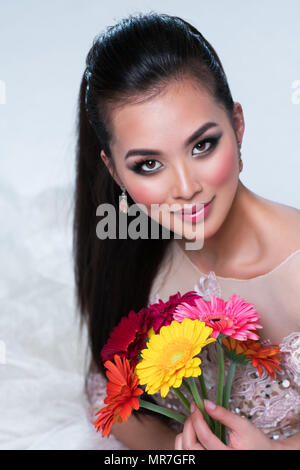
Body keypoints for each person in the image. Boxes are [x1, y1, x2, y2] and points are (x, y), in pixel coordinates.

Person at [73, 12, 300, 450]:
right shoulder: (135, 262)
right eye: (149, 165)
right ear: (114, 172)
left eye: (202, 145)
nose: (185, 188)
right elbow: (112, 399)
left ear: (237, 124)